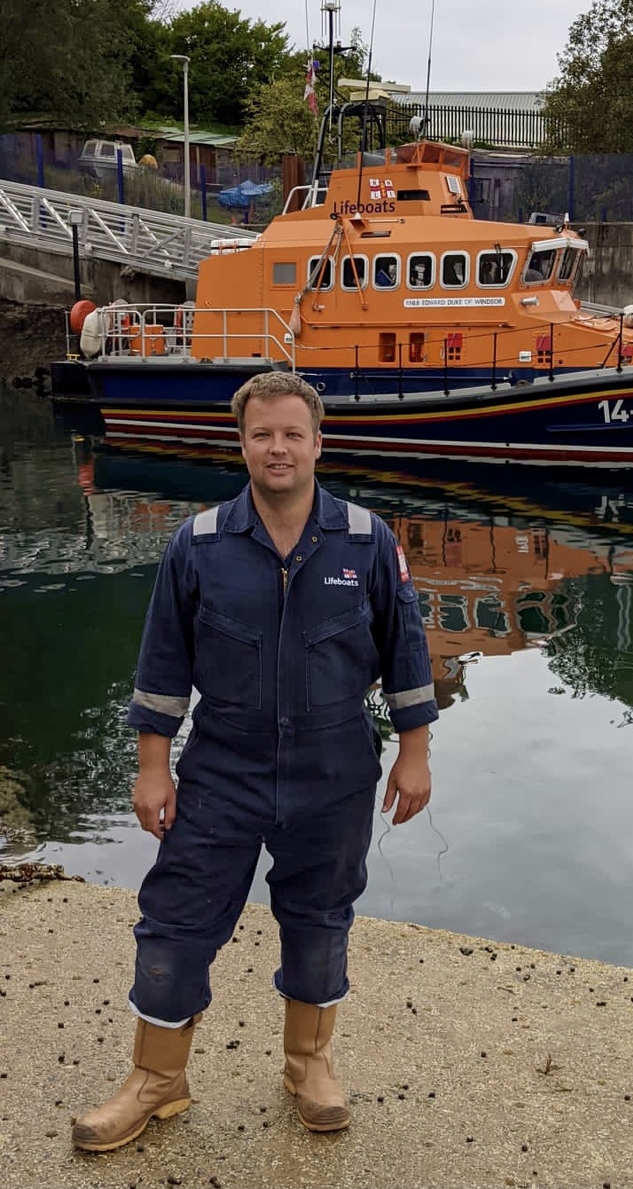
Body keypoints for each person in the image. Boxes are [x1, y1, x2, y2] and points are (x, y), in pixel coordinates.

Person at [72, 370, 438, 1152]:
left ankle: (308, 1065)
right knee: (175, 920)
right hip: (223, 767)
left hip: (335, 766)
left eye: (292, 434)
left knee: (317, 919)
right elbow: (163, 661)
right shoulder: (197, 545)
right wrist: (151, 766)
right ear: (241, 443)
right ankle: (156, 1081)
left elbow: (406, 652)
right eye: (262, 434)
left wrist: (414, 751)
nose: (278, 448)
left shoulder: (368, 542)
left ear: (316, 442)